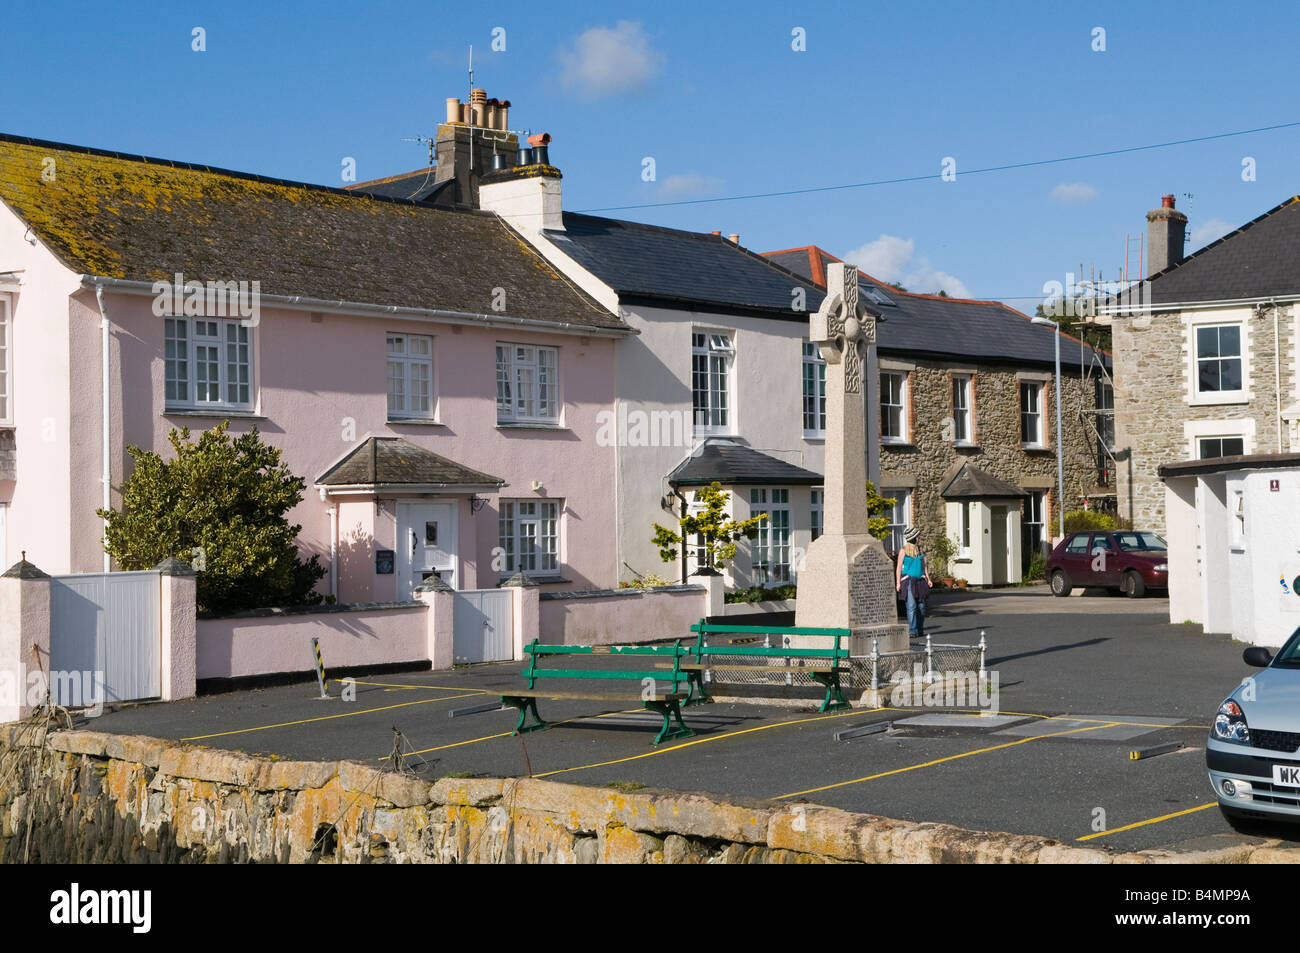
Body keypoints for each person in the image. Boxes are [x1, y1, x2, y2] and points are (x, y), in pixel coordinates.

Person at [895, 526, 932, 638]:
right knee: (911, 606)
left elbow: (924, 566)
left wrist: (928, 579)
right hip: (908, 581)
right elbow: (898, 567)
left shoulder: (920, 550)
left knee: (921, 607)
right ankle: (912, 631)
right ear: (914, 538)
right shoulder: (903, 550)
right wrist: (898, 583)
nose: (919, 538)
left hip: (920, 581)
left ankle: (920, 629)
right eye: (918, 536)